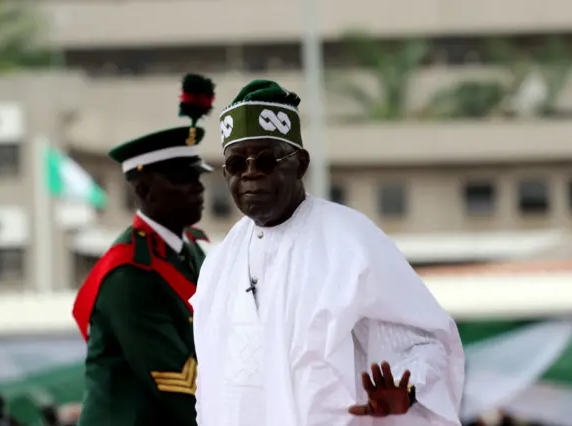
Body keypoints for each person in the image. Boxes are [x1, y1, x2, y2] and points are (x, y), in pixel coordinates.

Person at [191, 80, 465, 426]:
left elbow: (427, 343)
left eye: (265, 160)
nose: (250, 174)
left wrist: (405, 390)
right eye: (236, 163)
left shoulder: (350, 243)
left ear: (299, 163)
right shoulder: (218, 263)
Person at [72, 74, 215, 426]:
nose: (198, 188)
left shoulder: (192, 251)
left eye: (198, 177)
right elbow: (178, 382)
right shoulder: (129, 274)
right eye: (184, 179)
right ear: (146, 191)